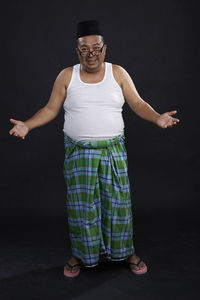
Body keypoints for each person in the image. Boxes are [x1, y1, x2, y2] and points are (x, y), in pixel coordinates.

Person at [9, 20, 180, 278]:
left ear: (104, 49)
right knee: (82, 207)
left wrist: (156, 117)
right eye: (85, 49)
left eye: (96, 48)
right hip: (79, 153)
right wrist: (27, 125)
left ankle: (126, 252)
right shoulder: (67, 75)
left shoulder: (118, 73)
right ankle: (81, 255)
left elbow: (137, 102)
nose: (91, 53)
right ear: (78, 52)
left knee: (118, 204)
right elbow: (50, 109)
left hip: (113, 151)